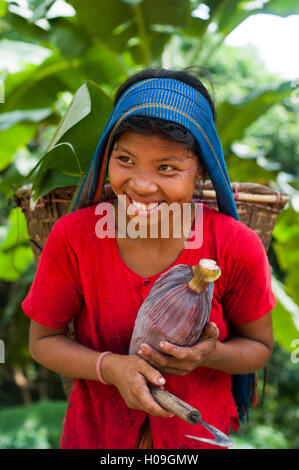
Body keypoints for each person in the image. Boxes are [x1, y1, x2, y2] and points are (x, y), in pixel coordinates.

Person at [21, 67, 276, 449]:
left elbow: (259, 348)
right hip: (97, 438)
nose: (141, 184)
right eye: (125, 160)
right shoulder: (74, 237)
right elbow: (43, 341)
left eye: (167, 168)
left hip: (195, 441)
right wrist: (109, 368)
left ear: (201, 169)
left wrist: (209, 355)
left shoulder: (236, 245)